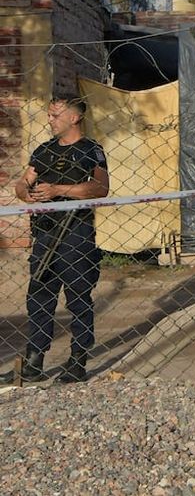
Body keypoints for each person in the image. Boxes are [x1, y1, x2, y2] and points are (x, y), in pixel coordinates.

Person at [0, 95, 109, 384]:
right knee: (38, 295)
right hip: (45, 233)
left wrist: (58, 190)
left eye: (55, 115)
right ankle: (34, 359)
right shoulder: (44, 150)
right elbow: (24, 182)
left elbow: (100, 187)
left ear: (74, 118)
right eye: (49, 115)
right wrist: (28, 193)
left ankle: (78, 358)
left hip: (76, 234)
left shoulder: (90, 150)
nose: (50, 120)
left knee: (78, 297)